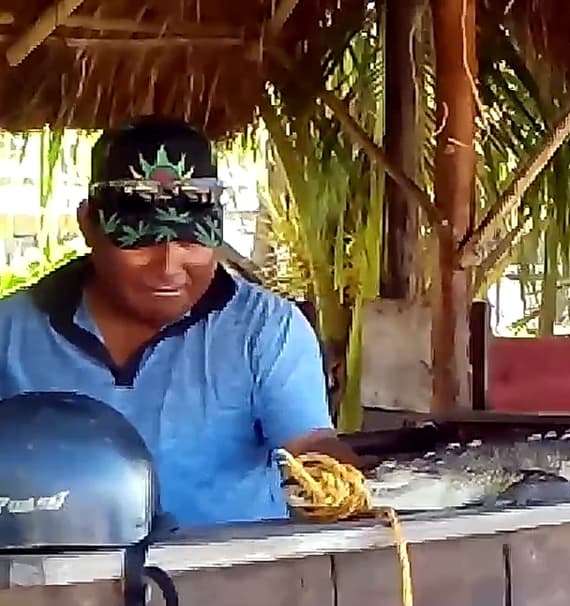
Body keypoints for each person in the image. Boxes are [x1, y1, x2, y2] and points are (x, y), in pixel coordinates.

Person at [0, 115, 367, 528]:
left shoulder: (265, 329)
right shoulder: (11, 331)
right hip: (59, 582)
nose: (170, 267)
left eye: (192, 242)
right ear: (88, 223)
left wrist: (337, 484)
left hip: (240, 580)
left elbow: (310, 444)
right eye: (142, 244)